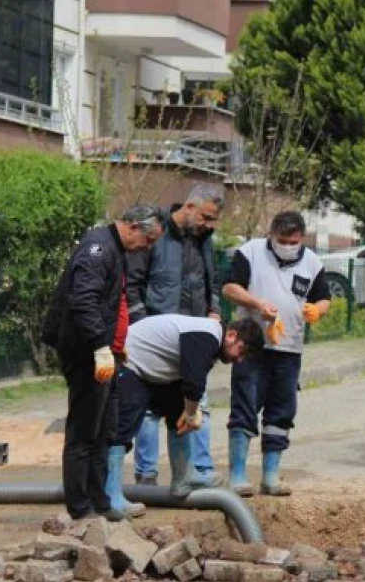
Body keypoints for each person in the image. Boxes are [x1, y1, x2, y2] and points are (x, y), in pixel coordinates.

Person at [41, 204, 163, 521]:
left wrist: (113, 347)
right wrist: (99, 345)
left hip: (104, 354)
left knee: (105, 430)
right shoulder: (98, 248)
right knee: (84, 431)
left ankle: (102, 502)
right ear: (133, 226)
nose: (146, 248)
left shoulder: (115, 250)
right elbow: (83, 299)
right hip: (85, 353)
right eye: (148, 240)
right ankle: (80, 510)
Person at [123, 184, 225, 501]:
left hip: (192, 338)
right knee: (149, 412)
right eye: (207, 217)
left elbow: (213, 282)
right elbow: (133, 284)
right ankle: (147, 477)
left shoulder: (204, 240)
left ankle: (195, 472)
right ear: (190, 207)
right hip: (157, 337)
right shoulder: (156, 233)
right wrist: (142, 327)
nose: (210, 225)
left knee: (195, 406)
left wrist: (214, 311)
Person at [222, 210, 331, 496]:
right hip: (252, 346)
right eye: (282, 240)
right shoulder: (251, 253)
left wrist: (316, 310)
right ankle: (237, 475)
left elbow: (324, 298)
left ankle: (270, 476)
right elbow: (230, 288)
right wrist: (257, 304)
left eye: (293, 241)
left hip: (289, 348)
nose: (287, 245)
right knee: (245, 406)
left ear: (301, 238)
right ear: (271, 234)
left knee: (281, 411)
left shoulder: (312, 262)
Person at [106, 315, 264, 506]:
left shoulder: (211, 339)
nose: (239, 360)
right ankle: (110, 494)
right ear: (231, 335)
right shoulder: (207, 335)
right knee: (124, 425)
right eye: (241, 351)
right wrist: (191, 413)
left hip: (155, 368)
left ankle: (183, 478)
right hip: (131, 362)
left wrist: (188, 411)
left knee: (178, 410)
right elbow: (193, 383)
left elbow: (190, 385)